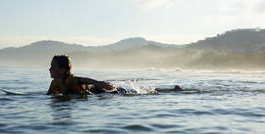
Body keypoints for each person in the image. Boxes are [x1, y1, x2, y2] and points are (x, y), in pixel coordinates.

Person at [46, 54, 182, 95]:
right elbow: (49, 95)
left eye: (53, 67)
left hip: (102, 91)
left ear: (63, 70)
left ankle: (171, 90)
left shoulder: (72, 80)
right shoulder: (55, 83)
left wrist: (100, 83)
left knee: (138, 92)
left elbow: (85, 79)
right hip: (98, 92)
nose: (49, 69)